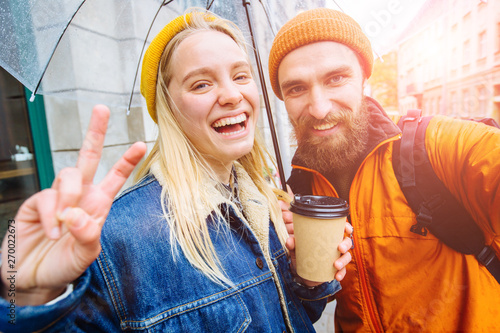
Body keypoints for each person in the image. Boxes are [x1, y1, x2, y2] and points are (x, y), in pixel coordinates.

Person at [0, 9, 353, 332]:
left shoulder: (266, 200)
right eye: (201, 83)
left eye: (240, 75)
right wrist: (30, 295)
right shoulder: (120, 235)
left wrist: (307, 281)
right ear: (168, 107)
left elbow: (295, 316)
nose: (231, 94)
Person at [268, 7, 500, 332]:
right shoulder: (299, 188)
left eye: (336, 79)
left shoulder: (435, 146)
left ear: (365, 79)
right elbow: (309, 306)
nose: (319, 108)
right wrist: (303, 278)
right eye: (296, 88)